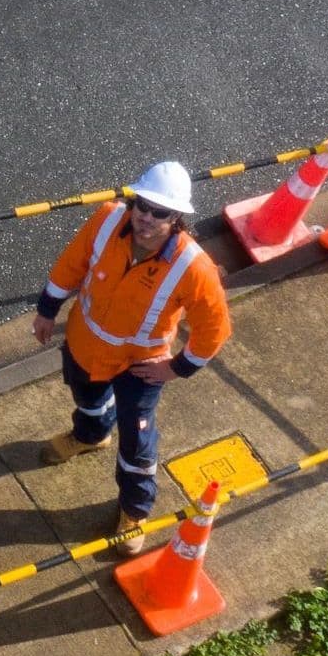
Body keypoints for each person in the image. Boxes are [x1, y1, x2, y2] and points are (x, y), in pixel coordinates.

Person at [31, 161, 232, 551]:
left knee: (138, 445)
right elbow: (72, 263)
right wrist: (47, 309)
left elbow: (215, 328)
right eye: (142, 205)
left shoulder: (194, 268)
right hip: (85, 345)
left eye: (160, 212)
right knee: (87, 399)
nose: (146, 217)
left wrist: (175, 368)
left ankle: (134, 510)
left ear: (177, 219)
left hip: (140, 368)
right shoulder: (107, 219)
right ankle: (90, 436)